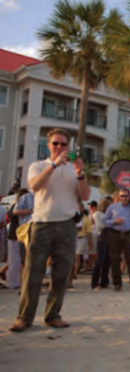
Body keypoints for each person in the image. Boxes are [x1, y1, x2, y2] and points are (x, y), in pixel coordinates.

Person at [10, 128, 90, 332]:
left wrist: (80, 174)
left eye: (64, 144)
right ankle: (24, 317)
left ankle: (53, 315)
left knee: (61, 274)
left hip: (67, 225)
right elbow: (35, 186)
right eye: (56, 143)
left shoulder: (74, 170)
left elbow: (86, 195)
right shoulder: (38, 166)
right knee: (32, 273)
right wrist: (54, 164)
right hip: (41, 223)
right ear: (48, 145)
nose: (60, 147)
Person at [103, 187, 130, 292]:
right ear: (118, 196)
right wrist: (114, 222)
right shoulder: (112, 207)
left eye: (126, 196)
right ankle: (117, 284)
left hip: (128, 234)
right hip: (115, 234)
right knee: (115, 259)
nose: (124, 198)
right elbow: (104, 220)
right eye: (122, 196)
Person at [5, 189, 30, 289]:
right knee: (14, 260)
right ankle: (12, 282)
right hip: (15, 235)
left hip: (20, 235)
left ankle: (16, 280)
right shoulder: (16, 206)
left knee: (18, 260)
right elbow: (10, 216)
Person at [69, 202, 93, 288]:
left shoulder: (85, 219)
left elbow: (89, 231)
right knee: (72, 257)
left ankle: (75, 273)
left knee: (77, 257)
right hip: (72, 238)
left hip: (81, 238)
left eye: (80, 208)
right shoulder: (71, 216)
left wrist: (90, 242)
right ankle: (72, 274)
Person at [91, 196, 113, 290]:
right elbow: (99, 227)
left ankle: (104, 282)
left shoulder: (111, 214)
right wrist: (111, 222)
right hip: (102, 238)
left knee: (107, 262)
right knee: (100, 261)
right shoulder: (98, 214)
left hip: (110, 239)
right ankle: (95, 283)